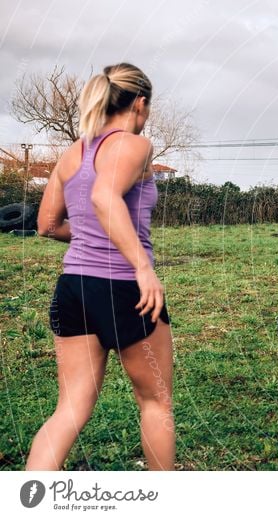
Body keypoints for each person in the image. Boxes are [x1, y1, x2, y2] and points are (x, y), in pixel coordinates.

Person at [27, 63, 174, 470]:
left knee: (69, 410)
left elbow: (47, 225)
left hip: (74, 287)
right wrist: (143, 267)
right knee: (156, 403)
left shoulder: (73, 152)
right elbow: (104, 198)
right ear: (140, 104)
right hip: (124, 288)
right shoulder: (133, 145)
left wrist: (93, 235)